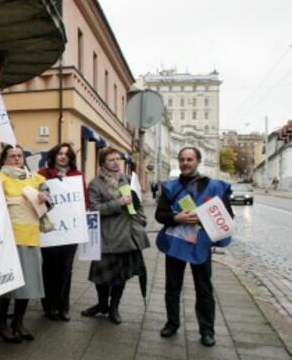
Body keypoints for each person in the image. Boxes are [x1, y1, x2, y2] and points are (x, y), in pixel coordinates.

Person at [156, 146, 234, 347]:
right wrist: (176, 217)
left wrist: (205, 217)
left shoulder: (214, 187)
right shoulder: (170, 187)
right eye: (182, 159)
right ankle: (172, 324)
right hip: (176, 243)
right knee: (172, 287)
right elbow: (160, 215)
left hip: (200, 245)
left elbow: (227, 217)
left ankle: (207, 330)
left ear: (198, 161)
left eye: (189, 159)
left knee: (204, 289)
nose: (185, 163)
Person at [81, 148, 150, 325]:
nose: (115, 162)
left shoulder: (127, 179)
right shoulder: (96, 183)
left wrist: (140, 219)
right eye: (110, 159)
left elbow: (137, 203)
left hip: (126, 235)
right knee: (101, 276)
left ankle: (114, 307)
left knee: (120, 275)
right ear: (102, 162)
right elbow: (94, 209)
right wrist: (118, 202)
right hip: (105, 235)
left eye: (117, 159)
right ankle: (102, 304)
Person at [0, 144, 50, 342]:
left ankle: (18, 322)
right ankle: (0, 324)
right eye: (12, 156)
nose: (17, 159)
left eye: (20, 155)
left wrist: (45, 196)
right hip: (8, 240)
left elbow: (49, 198)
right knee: (7, 284)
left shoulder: (35, 178)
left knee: (29, 283)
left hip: (30, 237)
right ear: (4, 159)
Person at [38, 142, 87, 322]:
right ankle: (49, 305)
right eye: (60, 153)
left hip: (70, 231)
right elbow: (37, 198)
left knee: (66, 269)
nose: (63, 157)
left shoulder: (77, 176)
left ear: (71, 158)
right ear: (54, 156)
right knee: (49, 268)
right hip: (50, 230)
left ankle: (63, 307)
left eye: (67, 154)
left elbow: (84, 199)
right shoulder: (43, 175)